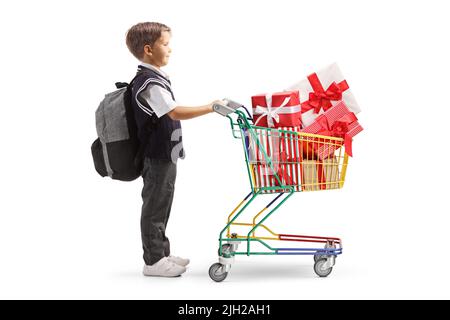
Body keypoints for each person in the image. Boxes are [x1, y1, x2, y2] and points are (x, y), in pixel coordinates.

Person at [125, 22, 223, 277]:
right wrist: (210, 107)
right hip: (157, 155)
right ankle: (154, 261)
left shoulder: (154, 78)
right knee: (156, 205)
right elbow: (174, 111)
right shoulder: (149, 83)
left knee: (162, 203)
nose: (170, 49)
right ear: (148, 49)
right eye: (165, 44)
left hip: (164, 153)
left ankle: (162, 254)